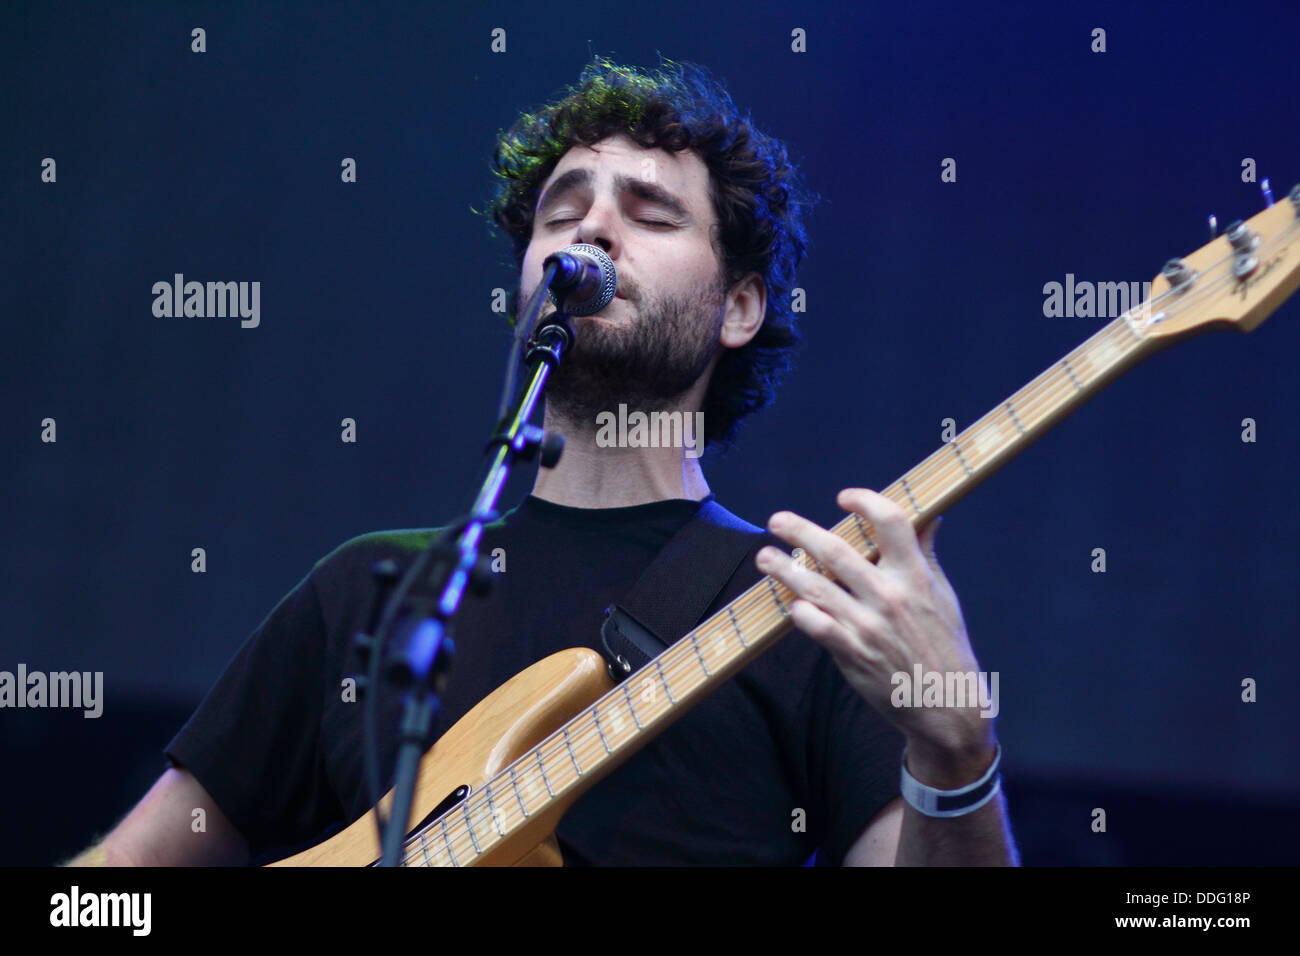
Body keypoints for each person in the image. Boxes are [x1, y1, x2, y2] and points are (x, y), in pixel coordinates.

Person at [66, 57, 1017, 867]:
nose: (589, 229)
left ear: (739, 308)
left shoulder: (807, 614)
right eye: (563, 209)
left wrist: (956, 749)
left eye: (650, 212)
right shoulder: (373, 592)